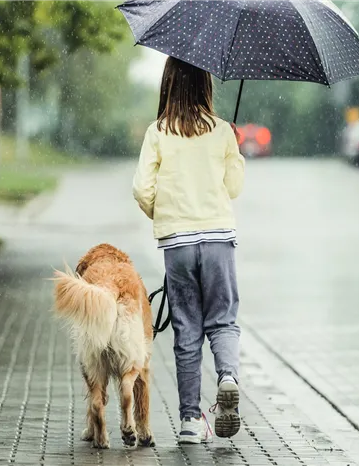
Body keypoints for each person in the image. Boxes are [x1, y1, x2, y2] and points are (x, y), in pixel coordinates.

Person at [132, 57, 245, 444]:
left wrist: (162, 214)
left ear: (168, 84)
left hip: (178, 244)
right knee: (223, 321)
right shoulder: (222, 132)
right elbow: (233, 188)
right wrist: (235, 149)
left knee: (187, 331)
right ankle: (228, 377)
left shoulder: (157, 132)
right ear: (206, 86)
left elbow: (142, 189)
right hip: (217, 240)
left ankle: (189, 422)